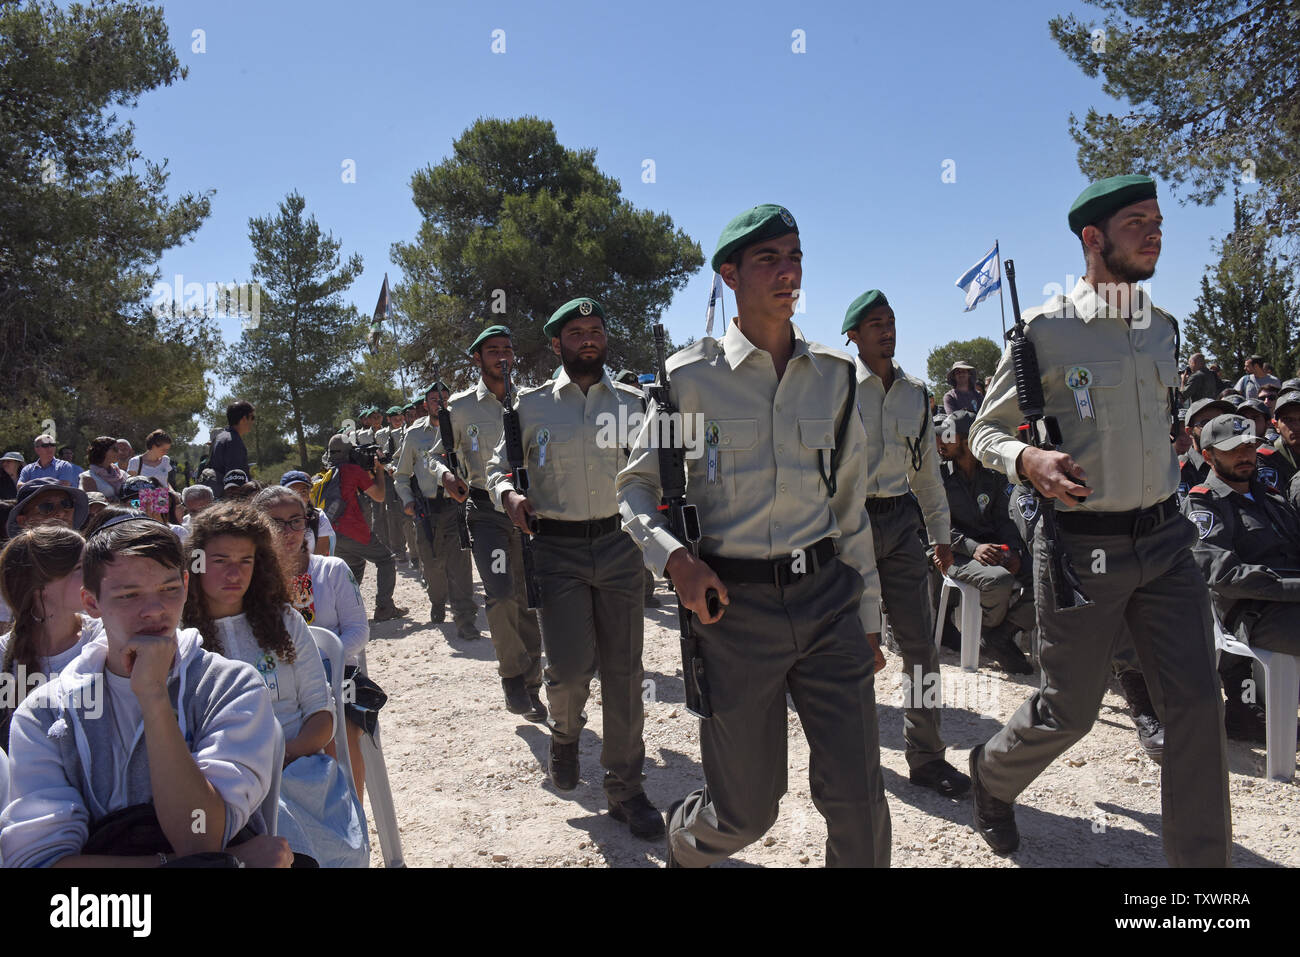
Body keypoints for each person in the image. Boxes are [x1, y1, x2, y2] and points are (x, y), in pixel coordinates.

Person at [967, 174, 1230, 866]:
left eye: (1159, 219)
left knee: (1199, 708)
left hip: (1168, 542)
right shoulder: (1045, 333)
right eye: (1137, 220)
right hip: (1087, 550)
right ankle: (990, 774)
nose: (1156, 230)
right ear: (1093, 238)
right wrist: (1029, 459)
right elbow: (983, 433)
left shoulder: (1164, 328)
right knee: (1068, 711)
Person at [617, 204, 890, 868]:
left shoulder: (837, 379)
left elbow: (851, 507)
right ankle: (686, 845)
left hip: (827, 599)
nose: (787, 271)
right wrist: (675, 560)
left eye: (794, 256)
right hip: (732, 612)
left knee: (858, 799)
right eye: (768, 259)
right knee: (745, 811)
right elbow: (632, 491)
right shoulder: (687, 381)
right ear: (728, 275)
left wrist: (870, 615)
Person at [0, 515, 291, 868]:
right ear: (91, 603)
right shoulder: (45, 713)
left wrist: (153, 697)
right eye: (129, 595)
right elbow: (41, 862)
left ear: (186, 585)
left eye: (169, 590)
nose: (154, 610)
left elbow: (198, 833)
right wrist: (220, 862)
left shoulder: (228, 687)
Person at [489, 297, 661, 837]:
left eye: (596, 330)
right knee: (566, 670)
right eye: (576, 332)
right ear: (558, 342)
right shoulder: (529, 406)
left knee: (625, 674)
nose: (588, 338)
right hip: (557, 550)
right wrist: (507, 495)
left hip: (619, 546)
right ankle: (564, 734)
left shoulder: (636, 404)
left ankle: (626, 789)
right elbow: (498, 467)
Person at [182, 502, 367, 868]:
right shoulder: (181, 636)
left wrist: (285, 754)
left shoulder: (285, 622)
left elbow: (321, 712)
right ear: (196, 563)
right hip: (221, 781)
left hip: (297, 768)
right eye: (220, 561)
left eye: (245, 561)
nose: (234, 573)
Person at [843, 288, 966, 797]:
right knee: (856, 650)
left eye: (890, 320)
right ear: (852, 336)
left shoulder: (916, 393)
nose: (886, 329)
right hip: (848, 524)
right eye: (874, 323)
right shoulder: (837, 388)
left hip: (899, 522)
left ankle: (927, 756)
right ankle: (855, 759)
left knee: (921, 647)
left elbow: (927, 473)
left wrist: (940, 534)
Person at [433, 325, 544, 717]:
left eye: (507, 350)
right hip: (485, 514)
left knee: (530, 598)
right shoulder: (460, 408)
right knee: (499, 594)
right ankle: (512, 677)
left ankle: (533, 684)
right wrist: (445, 476)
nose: (502, 357)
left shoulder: (530, 401)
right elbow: (435, 457)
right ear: (477, 359)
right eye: (492, 350)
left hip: (528, 515)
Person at [1184, 413, 1300, 746]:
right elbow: (1223, 575)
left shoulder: (1271, 497)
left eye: (1249, 446)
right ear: (1209, 456)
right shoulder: (1204, 502)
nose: (1245, 455)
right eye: (1233, 449)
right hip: (1252, 613)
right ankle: (1251, 716)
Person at [253, 485, 371, 800]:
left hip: (337, 677)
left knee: (336, 726)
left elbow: (358, 632)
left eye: (296, 520)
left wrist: (313, 663)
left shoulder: (331, 570)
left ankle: (349, 819)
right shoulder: (252, 581)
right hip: (276, 682)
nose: (288, 530)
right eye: (276, 522)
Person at [934, 411, 1035, 674]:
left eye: (948, 436)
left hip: (993, 549)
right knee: (998, 581)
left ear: (966, 440)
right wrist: (972, 547)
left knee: (1044, 578)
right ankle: (993, 635)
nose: (940, 442)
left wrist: (1012, 550)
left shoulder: (994, 473)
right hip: (955, 551)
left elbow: (1005, 518)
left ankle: (999, 635)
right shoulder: (938, 476)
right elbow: (934, 524)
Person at [0, 526, 98, 752]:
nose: (97, 574)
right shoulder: (3, 654)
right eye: (81, 567)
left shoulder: (104, 638)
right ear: (41, 589)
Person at [393, 386, 480, 639]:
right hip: (427, 511)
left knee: (460, 564)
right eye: (434, 399)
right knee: (432, 564)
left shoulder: (459, 427)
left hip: (456, 506)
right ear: (425, 404)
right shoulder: (414, 434)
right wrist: (408, 500)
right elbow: (401, 475)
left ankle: (465, 619)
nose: (439, 403)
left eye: (444, 398)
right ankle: (437, 600)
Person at [325, 434, 407, 623]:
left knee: (354, 566)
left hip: (332, 534)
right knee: (386, 560)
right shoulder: (353, 471)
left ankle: (343, 612)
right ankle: (385, 607)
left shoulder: (326, 473)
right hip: (354, 530)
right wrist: (379, 471)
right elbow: (378, 496)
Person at [6, 478, 89, 538]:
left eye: (66, 504)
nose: (61, 513)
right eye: (46, 507)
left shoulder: (87, 556)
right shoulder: (15, 560)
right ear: (23, 521)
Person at [279, 471, 332, 556]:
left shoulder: (319, 517)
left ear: (308, 495)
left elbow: (322, 553)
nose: (299, 497)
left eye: (303, 492)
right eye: (292, 492)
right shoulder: (275, 521)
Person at [209, 400, 254, 497]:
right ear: (243, 419)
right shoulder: (233, 441)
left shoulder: (221, 437)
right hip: (232, 500)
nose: (252, 422)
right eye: (252, 417)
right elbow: (236, 480)